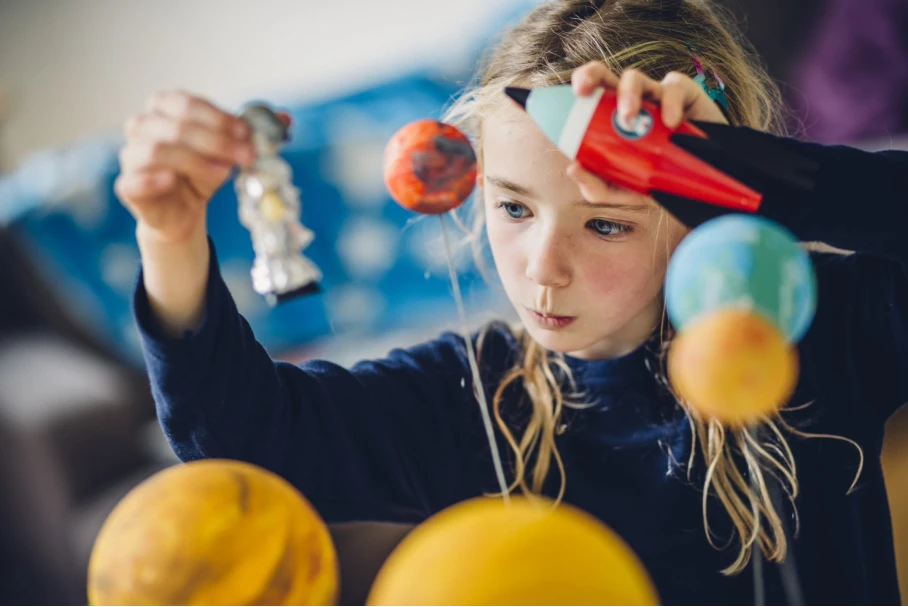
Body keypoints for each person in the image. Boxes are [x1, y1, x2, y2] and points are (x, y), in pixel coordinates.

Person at [115, 0, 907, 604]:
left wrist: (750, 171)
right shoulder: (474, 399)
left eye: (604, 223)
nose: (543, 269)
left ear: (706, 212)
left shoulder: (820, 332)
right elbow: (244, 442)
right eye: (515, 208)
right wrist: (170, 238)